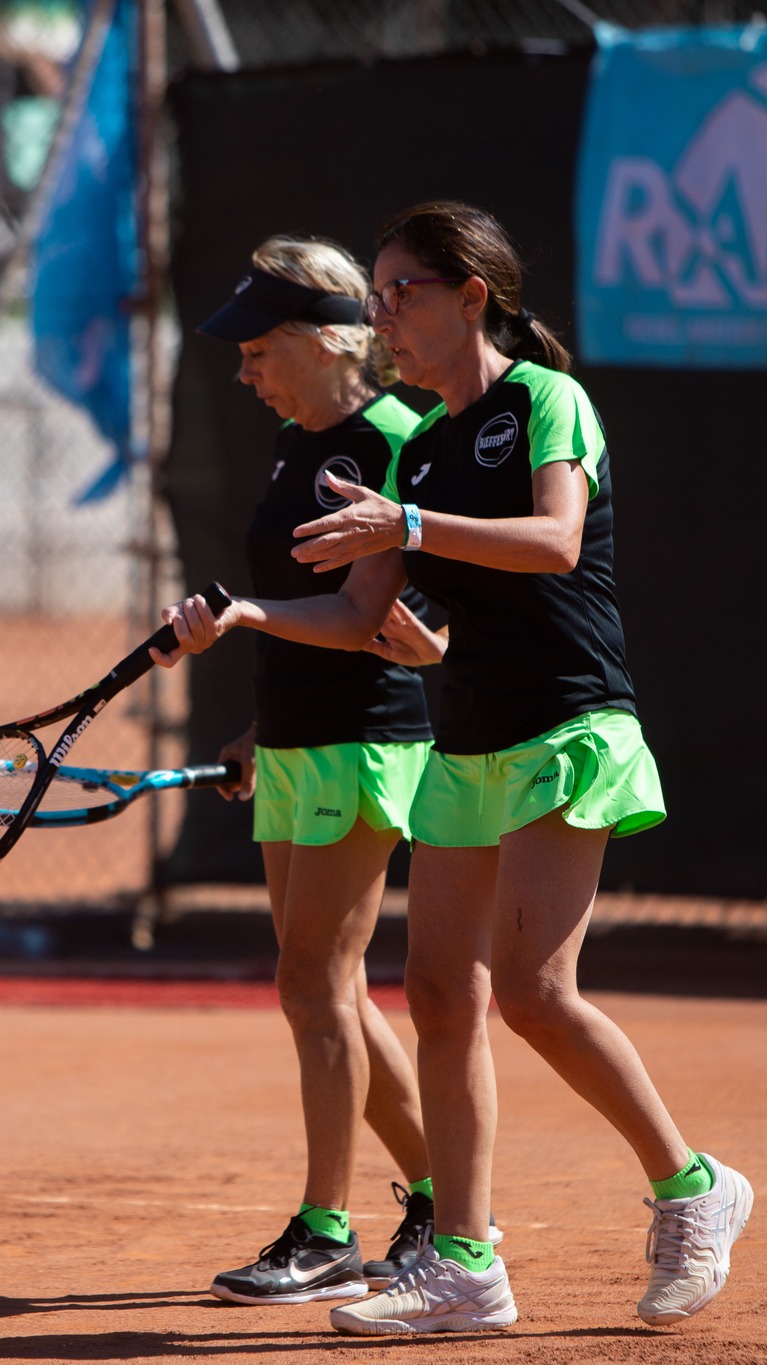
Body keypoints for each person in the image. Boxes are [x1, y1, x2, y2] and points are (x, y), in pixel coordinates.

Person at [155, 202, 752, 1336]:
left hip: (567, 722)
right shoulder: (419, 445)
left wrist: (409, 529)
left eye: (400, 293)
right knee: (438, 997)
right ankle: (465, 1267)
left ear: (470, 296)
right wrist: (347, 629)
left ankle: (690, 1188)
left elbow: (556, 541)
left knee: (532, 990)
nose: (381, 315)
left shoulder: (542, 402)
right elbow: (380, 617)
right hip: (465, 738)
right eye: (374, 294)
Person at [171, 237, 450, 1308]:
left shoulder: (388, 439)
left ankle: (327, 1230)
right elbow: (297, 621)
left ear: (315, 340)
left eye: (255, 350)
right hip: (292, 746)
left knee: (310, 985)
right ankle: (438, 1201)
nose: (243, 373)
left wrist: (240, 617)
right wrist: (253, 729)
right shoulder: (297, 442)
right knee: (328, 989)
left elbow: (361, 615)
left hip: (363, 743)